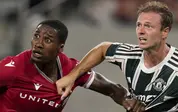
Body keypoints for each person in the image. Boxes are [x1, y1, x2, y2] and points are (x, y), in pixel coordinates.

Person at [56, 1, 178, 112]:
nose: (141, 31)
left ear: (165, 32)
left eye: (148, 26)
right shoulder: (130, 54)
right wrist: (71, 77)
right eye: (138, 25)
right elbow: (102, 49)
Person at [0, 20, 145, 112]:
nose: (38, 44)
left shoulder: (71, 70)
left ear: (60, 47)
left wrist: (128, 100)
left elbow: (113, 90)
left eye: (47, 40)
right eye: (36, 36)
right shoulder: (12, 67)